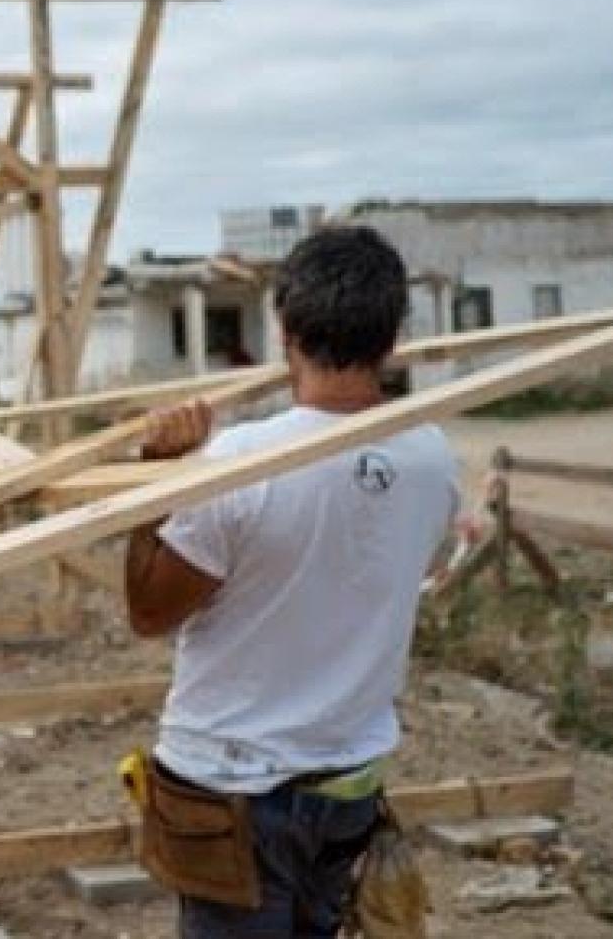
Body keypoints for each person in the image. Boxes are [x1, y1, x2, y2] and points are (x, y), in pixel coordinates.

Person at [124, 226, 458, 937]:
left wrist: (156, 483)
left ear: (284, 328)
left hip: (232, 787)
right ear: (395, 334)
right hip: (347, 786)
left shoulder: (240, 463)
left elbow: (149, 611)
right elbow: (397, 569)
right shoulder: (432, 459)